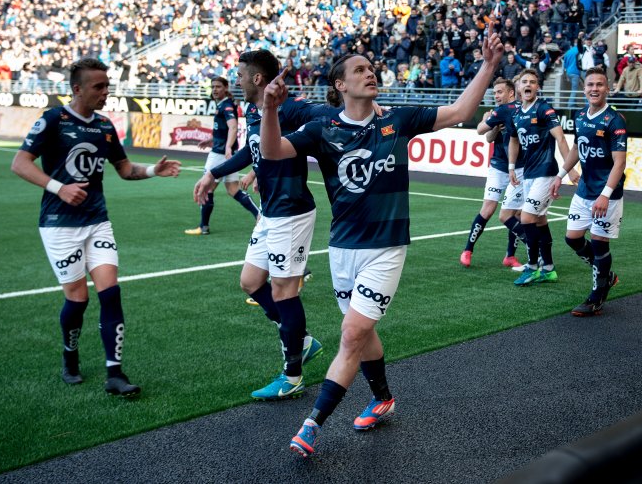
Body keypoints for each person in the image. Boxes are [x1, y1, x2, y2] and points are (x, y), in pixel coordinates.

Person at [259, 25, 505, 458]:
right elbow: (274, 150)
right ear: (341, 85)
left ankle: (312, 425)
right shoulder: (322, 129)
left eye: (372, 68)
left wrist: (487, 66)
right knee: (363, 332)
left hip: (387, 246)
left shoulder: (399, 119)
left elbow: (461, 110)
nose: (370, 73)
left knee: (351, 333)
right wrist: (270, 110)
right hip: (342, 248)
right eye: (359, 70)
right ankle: (384, 397)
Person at [10, 58, 181, 396]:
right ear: (77, 89)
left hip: (97, 221)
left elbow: (124, 168)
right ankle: (69, 355)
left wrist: (151, 172)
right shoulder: (53, 119)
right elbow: (20, 163)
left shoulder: (104, 126)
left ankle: (114, 373)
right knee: (78, 299)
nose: (105, 92)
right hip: (59, 225)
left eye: (107, 86)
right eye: (98, 87)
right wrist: (60, 188)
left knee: (111, 292)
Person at [193, 50, 328, 401]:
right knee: (251, 282)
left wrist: (362, 111)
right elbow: (249, 152)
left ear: (256, 78)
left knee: (285, 291)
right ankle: (303, 341)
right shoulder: (254, 109)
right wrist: (213, 173)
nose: (235, 80)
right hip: (270, 212)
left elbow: (325, 114)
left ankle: (292, 375)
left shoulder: (290, 106)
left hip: (292, 212)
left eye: (239, 74)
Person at [551, 66, 626, 316]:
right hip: (583, 190)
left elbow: (620, 162)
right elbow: (576, 148)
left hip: (606, 194)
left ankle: (596, 297)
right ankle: (606, 275)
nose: (595, 89)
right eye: (591, 85)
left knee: (598, 243)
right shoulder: (580, 115)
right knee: (572, 238)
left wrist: (605, 194)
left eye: (600, 85)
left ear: (607, 88)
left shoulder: (615, 120)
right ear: (584, 89)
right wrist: (560, 175)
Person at [507, 68, 578, 286]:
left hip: (546, 172)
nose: (527, 84)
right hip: (528, 174)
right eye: (524, 81)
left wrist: (569, 169)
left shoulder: (544, 110)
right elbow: (513, 140)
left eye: (532, 82)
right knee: (539, 220)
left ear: (537, 87)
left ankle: (532, 266)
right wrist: (511, 167)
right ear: (518, 87)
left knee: (526, 218)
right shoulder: (516, 114)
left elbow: (561, 138)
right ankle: (548, 268)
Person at [459, 77, 526, 271]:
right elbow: (485, 135)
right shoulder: (497, 112)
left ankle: (510, 256)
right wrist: (494, 125)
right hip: (498, 166)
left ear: (511, 93)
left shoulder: (521, 109)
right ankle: (468, 250)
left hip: (520, 167)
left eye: (499, 92)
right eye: (494, 92)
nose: (496, 96)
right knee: (488, 209)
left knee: (515, 213)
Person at [185, 77, 259, 235]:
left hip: (219, 154)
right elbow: (225, 129)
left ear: (226, 87)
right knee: (233, 189)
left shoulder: (226, 106)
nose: (215, 89)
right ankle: (259, 215)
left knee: (207, 188)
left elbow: (233, 127)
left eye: (218, 86)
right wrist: (212, 140)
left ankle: (203, 226)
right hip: (223, 151)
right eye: (213, 87)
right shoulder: (224, 104)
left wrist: (227, 148)